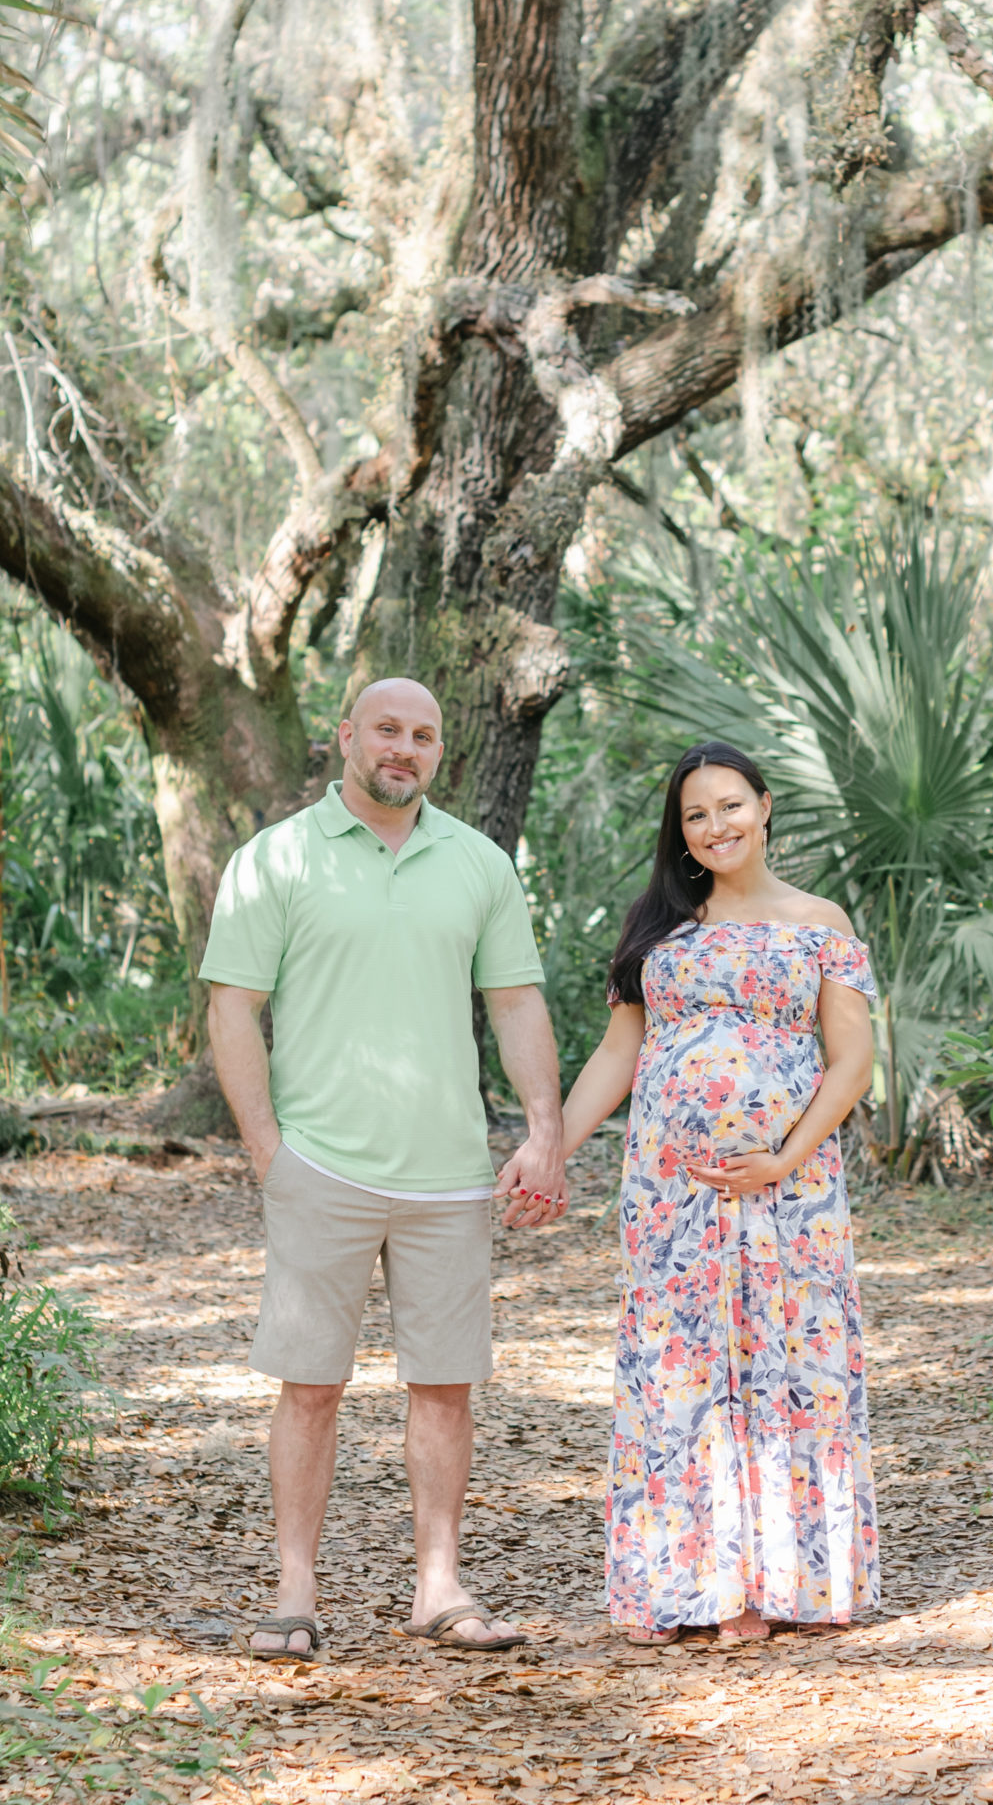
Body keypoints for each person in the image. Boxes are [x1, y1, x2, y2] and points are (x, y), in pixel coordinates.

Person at [201, 676, 568, 1659]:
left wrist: (543, 1129)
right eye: (387, 730)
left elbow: (516, 1003)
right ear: (347, 736)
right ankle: (293, 1589)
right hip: (320, 1167)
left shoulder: (478, 862)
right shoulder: (274, 858)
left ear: (439, 749)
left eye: (423, 734)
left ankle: (438, 1586)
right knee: (308, 1383)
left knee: (444, 1385)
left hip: (449, 1175)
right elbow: (231, 1006)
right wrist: (267, 1149)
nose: (403, 748)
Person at [560, 740, 880, 1646]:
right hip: (671, 1194)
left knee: (786, 1363)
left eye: (730, 805)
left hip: (790, 1186)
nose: (715, 826)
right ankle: (685, 1584)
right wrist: (550, 1149)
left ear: (766, 806)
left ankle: (783, 1584)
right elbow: (618, 1054)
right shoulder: (659, 925)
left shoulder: (819, 919)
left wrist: (784, 1155)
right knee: (680, 1371)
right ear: (682, 831)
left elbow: (851, 1060)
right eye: (696, 815)